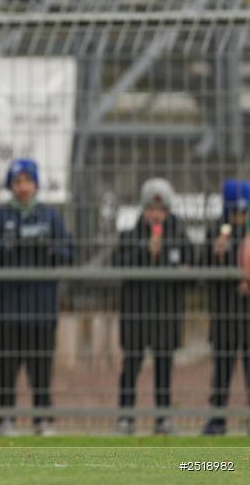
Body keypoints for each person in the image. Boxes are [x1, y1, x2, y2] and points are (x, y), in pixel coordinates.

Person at [0, 159, 74, 436]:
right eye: (18, 182)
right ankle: (5, 419)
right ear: (11, 185)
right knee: (6, 367)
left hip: (42, 308)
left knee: (41, 367)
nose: (23, 187)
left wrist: (49, 248)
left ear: (36, 183)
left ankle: (43, 419)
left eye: (28, 181)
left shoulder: (50, 216)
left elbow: (70, 253)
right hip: (8, 308)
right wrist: (9, 246)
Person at [114, 178, 193, 436]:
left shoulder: (180, 237)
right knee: (131, 365)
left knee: (163, 367)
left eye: (161, 210)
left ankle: (163, 419)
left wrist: (183, 270)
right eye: (151, 209)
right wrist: (144, 252)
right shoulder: (129, 235)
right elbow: (119, 267)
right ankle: (125, 418)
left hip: (166, 314)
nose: (156, 215)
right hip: (136, 313)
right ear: (143, 209)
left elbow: (194, 271)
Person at [200, 180, 250, 435]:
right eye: (235, 212)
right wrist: (214, 254)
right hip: (223, 316)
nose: (239, 217)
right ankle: (217, 419)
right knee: (222, 371)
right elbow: (204, 273)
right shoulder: (214, 234)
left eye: (244, 212)